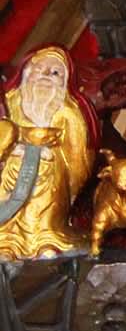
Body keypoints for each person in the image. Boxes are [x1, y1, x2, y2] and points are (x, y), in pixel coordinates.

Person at [0, 46, 96, 260]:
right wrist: (17, 142)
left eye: (55, 73)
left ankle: (45, 241)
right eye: (39, 69)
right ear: (26, 72)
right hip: (9, 174)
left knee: (45, 208)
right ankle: (7, 242)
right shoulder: (10, 102)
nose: (45, 75)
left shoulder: (68, 113)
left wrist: (71, 185)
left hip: (50, 177)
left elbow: (78, 157)